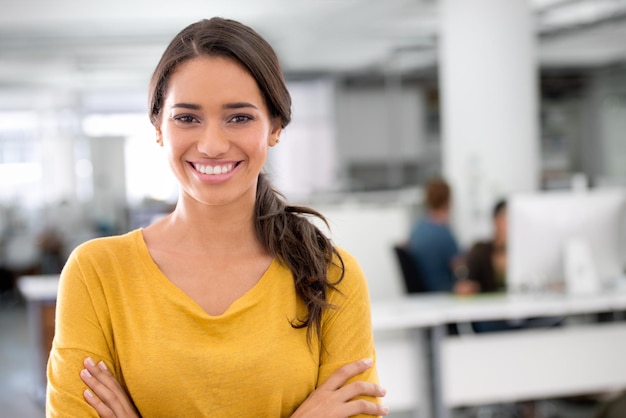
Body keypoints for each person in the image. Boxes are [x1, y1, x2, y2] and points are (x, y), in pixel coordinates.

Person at [46, 17, 388, 418]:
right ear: (158, 127)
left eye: (239, 117)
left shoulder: (330, 275)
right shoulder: (97, 274)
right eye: (187, 118)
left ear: (275, 126)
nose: (211, 145)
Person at [407, 177, 477, 294]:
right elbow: (459, 268)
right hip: (443, 290)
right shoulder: (444, 234)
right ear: (448, 201)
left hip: (424, 290)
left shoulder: (417, 228)